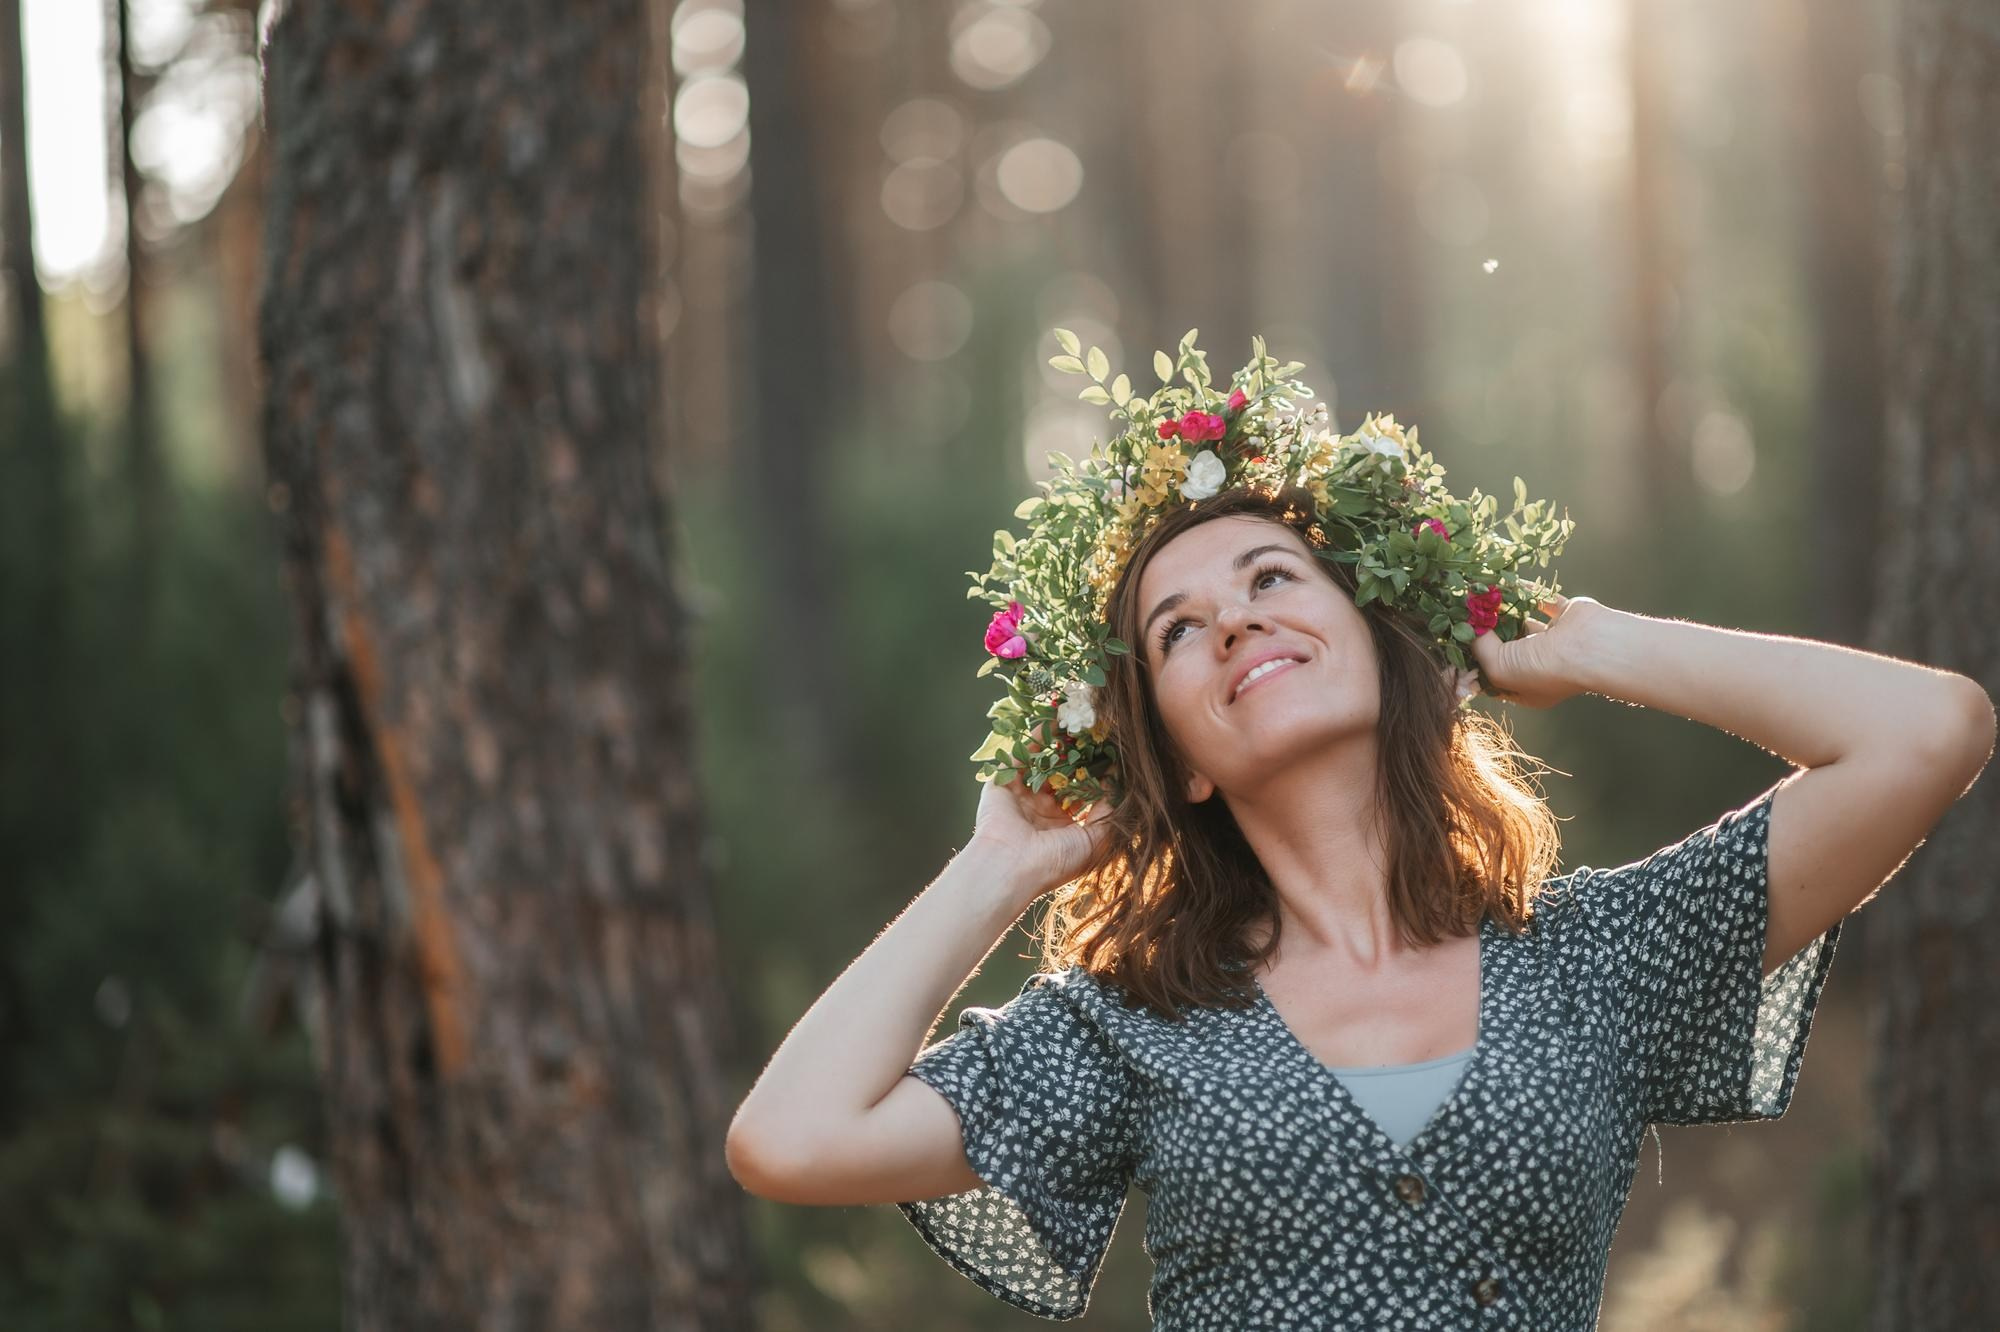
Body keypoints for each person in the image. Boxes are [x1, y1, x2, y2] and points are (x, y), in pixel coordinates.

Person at [726, 388, 1993, 1327]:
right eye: (1176, 631)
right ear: (1182, 760)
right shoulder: (1130, 1026)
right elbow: (788, 1139)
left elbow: (1929, 731)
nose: (1233, 620)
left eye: (1270, 576)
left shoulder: (1596, 959)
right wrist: (996, 870)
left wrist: (1588, 646)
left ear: (1374, 640)